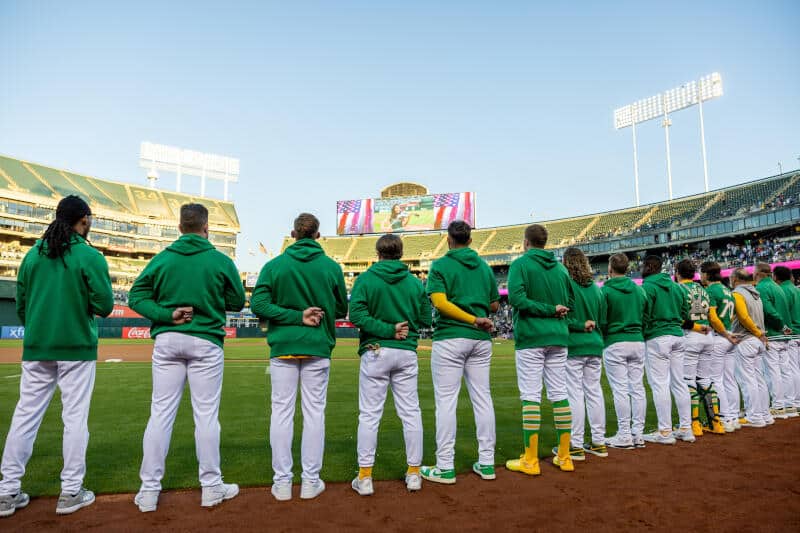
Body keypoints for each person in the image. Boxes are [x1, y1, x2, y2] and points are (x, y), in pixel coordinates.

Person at [0, 195, 113, 518]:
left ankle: (7, 491)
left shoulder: (32, 256)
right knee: (74, 418)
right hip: (76, 347)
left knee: (25, 416)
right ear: (85, 220)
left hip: (37, 347)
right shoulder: (89, 256)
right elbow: (105, 306)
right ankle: (71, 491)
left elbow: (22, 306)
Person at [129, 204, 246, 512]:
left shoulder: (163, 258)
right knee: (206, 416)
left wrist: (166, 313)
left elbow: (136, 297)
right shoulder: (220, 260)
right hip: (206, 340)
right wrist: (210, 295)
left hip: (168, 339)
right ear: (206, 228)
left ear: (180, 227)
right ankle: (210, 488)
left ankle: (149, 491)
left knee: (160, 414)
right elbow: (236, 300)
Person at [251, 213, 347, 501]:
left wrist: (291, 315)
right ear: (318, 236)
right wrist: (308, 313)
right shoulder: (331, 267)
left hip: (283, 348)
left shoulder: (274, 265)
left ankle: (281, 483)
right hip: (317, 347)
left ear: (293, 234)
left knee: (281, 413)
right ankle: (310, 481)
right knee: (314, 413)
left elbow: (258, 303)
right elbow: (342, 308)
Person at [348, 234, 431, 495]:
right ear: (401, 252)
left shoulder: (366, 279)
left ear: (378, 252)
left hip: (376, 349)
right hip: (406, 352)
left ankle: (365, 478)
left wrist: (385, 328)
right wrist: (401, 326)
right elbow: (426, 318)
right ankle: (414, 473)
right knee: (411, 412)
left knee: (370, 415)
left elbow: (357, 315)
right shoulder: (414, 282)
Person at [420, 221, 498, 484]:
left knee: (446, 402)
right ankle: (487, 463)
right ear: (471, 240)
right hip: (480, 339)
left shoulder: (441, 265)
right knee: (483, 399)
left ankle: (444, 466)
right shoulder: (485, 268)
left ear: (448, 239)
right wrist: (477, 315)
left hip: (451, 337)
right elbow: (495, 304)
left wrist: (470, 319)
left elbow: (440, 303)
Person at [505, 224, 575, 476]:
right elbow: (570, 303)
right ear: (545, 243)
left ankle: (531, 460)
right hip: (558, 336)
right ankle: (565, 457)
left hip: (532, 336)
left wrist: (546, 309)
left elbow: (516, 299)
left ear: (526, 242)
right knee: (559, 393)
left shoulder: (520, 265)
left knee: (531, 395)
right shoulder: (560, 269)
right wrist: (554, 310)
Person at [641, 255, 693, 445]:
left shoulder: (647, 286)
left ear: (648, 267)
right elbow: (685, 314)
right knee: (679, 383)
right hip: (678, 335)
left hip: (657, 336)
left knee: (660, 384)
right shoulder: (676, 287)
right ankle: (686, 429)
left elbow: (643, 315)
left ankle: (665, 431)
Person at [560, 247, 607, 462]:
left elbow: (563, 318)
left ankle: (576, 445)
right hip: (595, 345)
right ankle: (599, 442)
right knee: (594, 393)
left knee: (575, 394)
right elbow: (603, 320)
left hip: (574, 345)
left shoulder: (567, 285)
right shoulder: (597, 288)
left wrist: (579, 325)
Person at [600, 253, 648, 450]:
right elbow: (646, 316)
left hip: (615, 341)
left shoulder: (605, 292)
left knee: (620, 389)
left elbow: (602, 321)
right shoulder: (639, 291)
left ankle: (624, 434)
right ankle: (638, 434)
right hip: (637, 341)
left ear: (610, 269)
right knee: (637, 388)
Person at [674, 259, 721, 436]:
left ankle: (694, 425)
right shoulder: (703, 289)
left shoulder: (679, 288)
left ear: (677, 272)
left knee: (688, 381)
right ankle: (716, 423)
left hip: (691, 335)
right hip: (707, 336)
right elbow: (711, 315)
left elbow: (676, 316)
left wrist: (694, 327)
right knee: (706, 379)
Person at [700, 261, 742, 432]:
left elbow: (713, 318)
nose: (700, 276)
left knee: (716, 380)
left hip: (720, 337)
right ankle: (733, 417)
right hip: (728, 338)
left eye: (701, 273)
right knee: (730, 380)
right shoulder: (727, 290)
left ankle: (724, 419)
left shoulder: (710, 290)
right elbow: (732, 316)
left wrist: (724, 332)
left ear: (706, 274)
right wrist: (728, 332)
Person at [730, 269, 770, 427]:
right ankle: (764, 414)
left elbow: (743, 316)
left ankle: (754, 415)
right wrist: (759, 334)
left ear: (736, 279)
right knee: (759, 379)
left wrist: (757, 332)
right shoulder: (756, 294)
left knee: (748, 380)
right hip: (758, 341)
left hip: (747, 339)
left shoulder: (738, 293)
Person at [754, 263, 794, 419]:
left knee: (773, 371)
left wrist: (781, 325)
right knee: (785, 370)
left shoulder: (763, 288)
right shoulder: (778, 287)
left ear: (758, 273)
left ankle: (778, 405)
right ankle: (788, 403)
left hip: (773, 333)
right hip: (784, 335)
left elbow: (768, 310)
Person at [772, 266, 799, 417]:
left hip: (792, 333)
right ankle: (795, 402)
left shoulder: (782, 290)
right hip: (797, 332)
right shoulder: (796, 289)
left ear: (775, 276)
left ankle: (794, 402)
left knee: (791, 369)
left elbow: (782, 312)